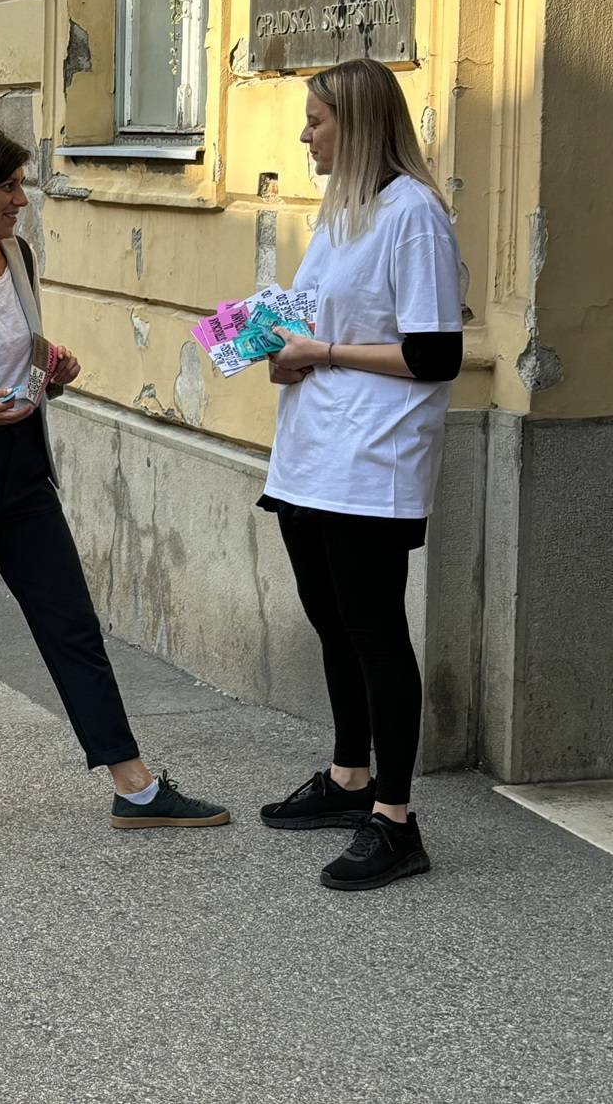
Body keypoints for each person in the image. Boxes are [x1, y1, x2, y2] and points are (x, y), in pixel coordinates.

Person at [0, 124, 229, 844]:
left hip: (22, 469)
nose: (20, 199)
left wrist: (51, 375)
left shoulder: (19, 258)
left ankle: (135, 786)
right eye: (8, 186)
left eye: (20, 184)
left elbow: (18, 358)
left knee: (71, 625)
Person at [257, 58, 464, 891]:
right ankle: (350, 780)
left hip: (372, 461)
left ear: (359, 124)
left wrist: (325, 352)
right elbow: (312, 322)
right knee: (332, 622)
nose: (305, 134)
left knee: (375, 630)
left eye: (316, 120)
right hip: (312, 455)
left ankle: (397, 821)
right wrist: (278, 353)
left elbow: (436, 352)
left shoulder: (413, 216)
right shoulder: (341, 212)